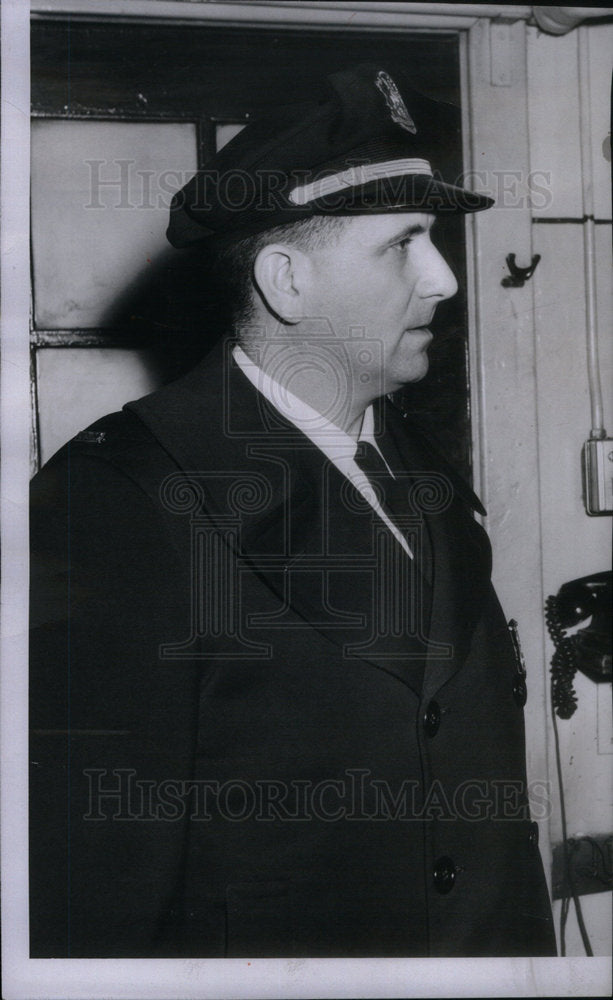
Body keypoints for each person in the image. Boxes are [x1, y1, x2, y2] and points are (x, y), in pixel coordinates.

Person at [29, 63, 557, 958]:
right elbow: (94, 901)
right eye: (403, 243)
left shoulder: (419, 468)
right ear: (286, 280)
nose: (442, 280)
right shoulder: (115, 502)